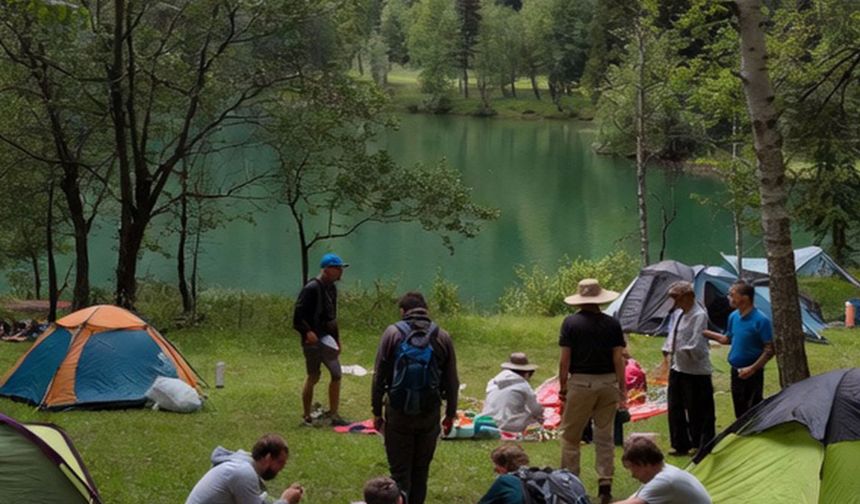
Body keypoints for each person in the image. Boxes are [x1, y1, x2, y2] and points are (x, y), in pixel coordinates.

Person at [371, 291, 459, 504]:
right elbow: (452, 381)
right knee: (421, 472)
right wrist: (450, 415)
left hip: (398, 413)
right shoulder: (442, 336)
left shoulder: (392, 334)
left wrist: (376, 412)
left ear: (403, 311)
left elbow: (379, 376)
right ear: (425, 310)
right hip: (428, 415)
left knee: (400, 473)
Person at [558, 278, 626, 504]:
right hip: (608, 383)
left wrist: (563, 387)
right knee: (604, 435)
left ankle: (570, 482)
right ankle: (605, 483)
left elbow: (564, 360)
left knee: (571, 436)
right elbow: (619, 359)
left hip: (581, 383)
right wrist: (622, 388)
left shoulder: (570, 323)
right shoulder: (612, 324)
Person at [292, 252, 349, 426]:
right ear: (327, 270)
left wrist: (337, 340)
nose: (341, 272)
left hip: (327, 339)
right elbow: (297, 317)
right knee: (313, 376)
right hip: (312, 341)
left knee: (336, 374)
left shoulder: (332, 289)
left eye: (341, 268)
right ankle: (306, 415)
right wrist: (307, 332)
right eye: (337, 268)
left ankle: (334, 413)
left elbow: (332, 319)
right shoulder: (311, 288)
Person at [703, 281, 774, 419]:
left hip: (753, 372)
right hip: (736, 371)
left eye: (732, 295)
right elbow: (727, 339)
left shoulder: (761, 320)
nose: (729, 298)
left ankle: (754, 437)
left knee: (753, 410)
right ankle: (742, 437)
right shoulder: (733, 316)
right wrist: (704, 332)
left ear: (745, 298)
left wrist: (752, 369)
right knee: (739, 409)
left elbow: (769, 350)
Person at [661, 281, 715, 456]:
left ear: (688, 296)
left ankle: (700, 443)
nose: (675, 301)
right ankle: (680, 443)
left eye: (677, 297)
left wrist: (680, 349)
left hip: (695, 370)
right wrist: (667, 348)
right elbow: (673, 335)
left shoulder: (699, 315)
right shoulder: (678, 314)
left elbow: (697, 344)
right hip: (678, 366)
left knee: (697, 407)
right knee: (675, 405)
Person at [185, 433, 304, 504]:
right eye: (280, 462)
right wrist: (285, 501)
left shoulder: (243, 466)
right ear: (268, 457)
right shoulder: (242, 473)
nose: (281, 468)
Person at [615, 436, 711, 504]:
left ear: (643, 463)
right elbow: (632, 499)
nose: (633, 475)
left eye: (632, 468)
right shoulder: (664, 472)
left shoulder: (664, 480)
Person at [481, 352, 544, 433]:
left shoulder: (492, 382)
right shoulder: (523, 385)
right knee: (533, 419)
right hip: (508, 424)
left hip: (487, 421)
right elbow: (536, 410)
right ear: (526, 373)